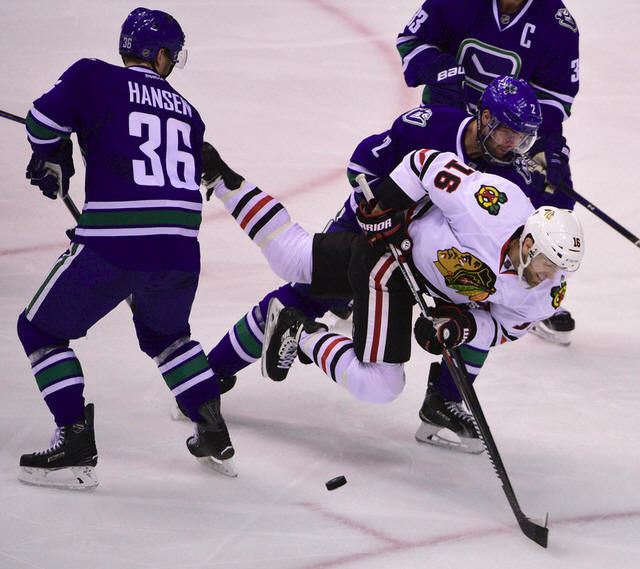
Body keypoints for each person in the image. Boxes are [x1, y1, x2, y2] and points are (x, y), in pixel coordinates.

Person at [203, 76, 544, 451]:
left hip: (434, 258)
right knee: (310, 291)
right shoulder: (431, 125)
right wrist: (383, 210)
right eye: (508, 132)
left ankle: (444, 402)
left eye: (522, 137)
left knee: (482, 303)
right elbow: (362, 163)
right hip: (371, 226)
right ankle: (213, 372)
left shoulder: (516, 175)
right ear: (485, 118)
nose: (513, 144)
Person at [17, 7, 235, 489]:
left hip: (116, 243)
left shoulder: (92, 76)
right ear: (160, 55)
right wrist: (61, 157)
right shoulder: (189, 113)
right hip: (181, 249)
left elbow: (41, 125)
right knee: (168, 337)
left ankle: (74, 439)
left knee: (39, 331)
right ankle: (212, 429)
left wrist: (52, 156)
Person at [396, 0, 580, 342]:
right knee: (392, 199)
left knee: (556, 195)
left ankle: (535, 290)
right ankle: (347, 277)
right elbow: (412, 41)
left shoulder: (557, 24)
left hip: (509, 145)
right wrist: (437, 67)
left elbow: (554, 100)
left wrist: (547, 147)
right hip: (447, 130)